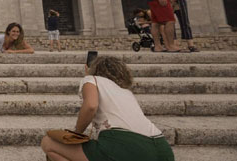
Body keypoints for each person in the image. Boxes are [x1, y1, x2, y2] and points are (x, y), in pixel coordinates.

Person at [40, 56, 173, 161]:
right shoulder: (125, 91)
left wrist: (76, 134)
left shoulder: (92, 79)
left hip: (126, 146)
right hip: (163, 149)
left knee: (49, 142)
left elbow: (91, 105)